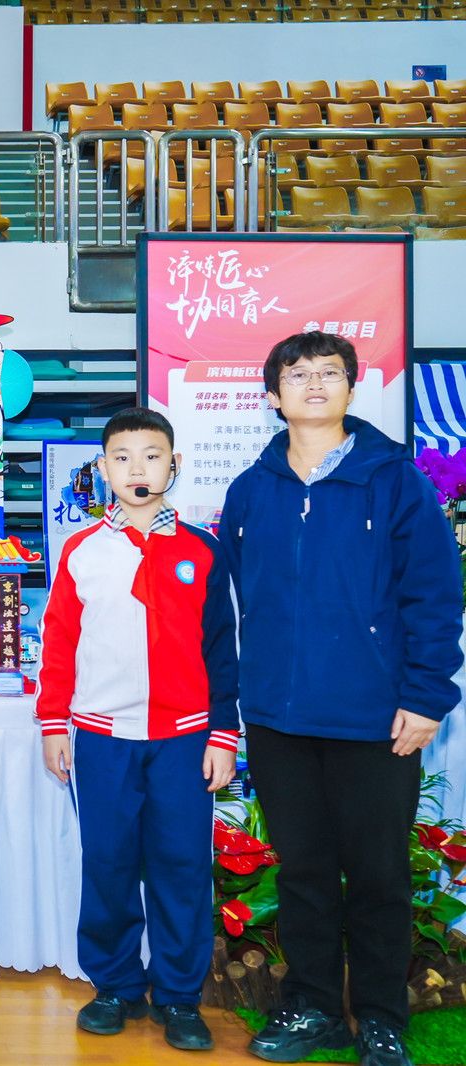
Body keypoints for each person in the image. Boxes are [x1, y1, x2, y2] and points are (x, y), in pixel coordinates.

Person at [220, 332, 463, 1066]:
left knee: (380, 875)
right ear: (274, 396)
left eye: (330, 372)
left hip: (375, 719)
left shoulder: (395, 481)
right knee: (304, 873)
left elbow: (434, 596)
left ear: (352, 389)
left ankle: (383, 1019)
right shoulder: (250, 489)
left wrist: (426, 697)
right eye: (298, 375)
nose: (315, 384)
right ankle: (314, 1009)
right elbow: (236, 600)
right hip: (279, 718)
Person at [37, 406, 239, 1053]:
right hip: (101, 739)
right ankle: (116, 986)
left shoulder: (202, 550)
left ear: (173, 465)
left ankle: (179, 995)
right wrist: (53, 722)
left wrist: (224, 734)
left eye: (151, 456)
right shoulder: (82, 551)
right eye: (122, 458)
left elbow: (223, 650)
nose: (137, 469)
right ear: (103, 469)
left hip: (184, 738)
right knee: (108, 863)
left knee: (182, 866)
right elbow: (59, 643)